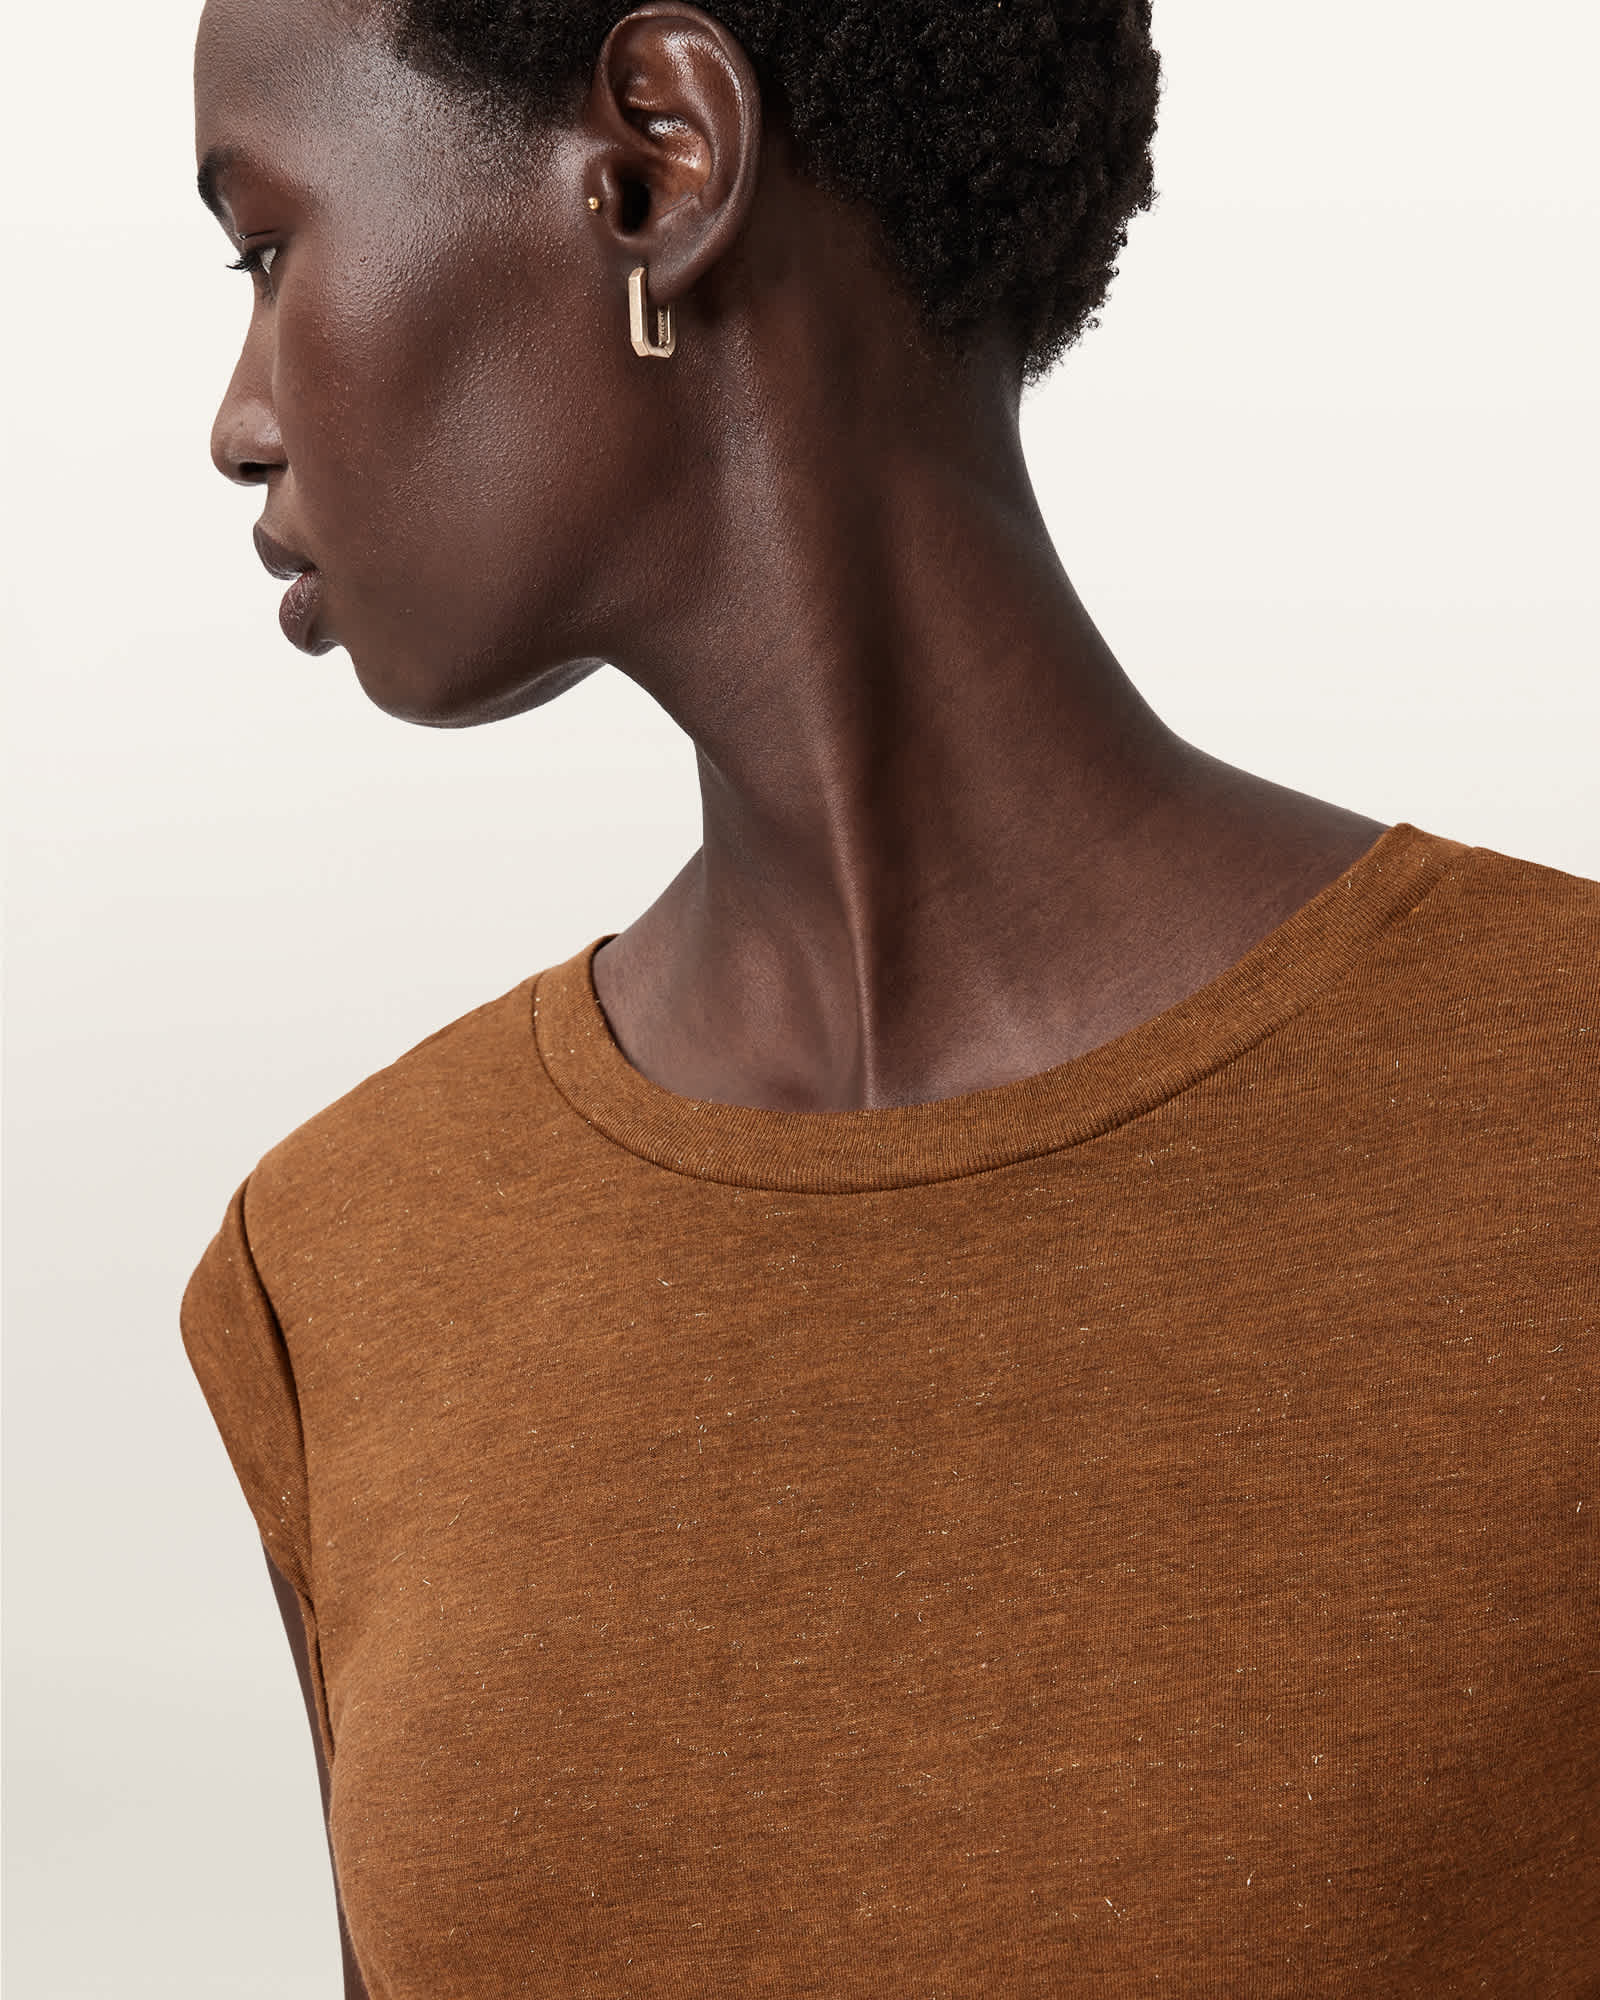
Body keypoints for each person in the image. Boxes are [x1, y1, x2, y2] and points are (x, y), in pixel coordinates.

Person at [180, 0, 1597, 1992]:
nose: (238, 419)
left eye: (266, 247)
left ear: (656, 164)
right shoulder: (347, 1265)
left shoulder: (1558, 1123)